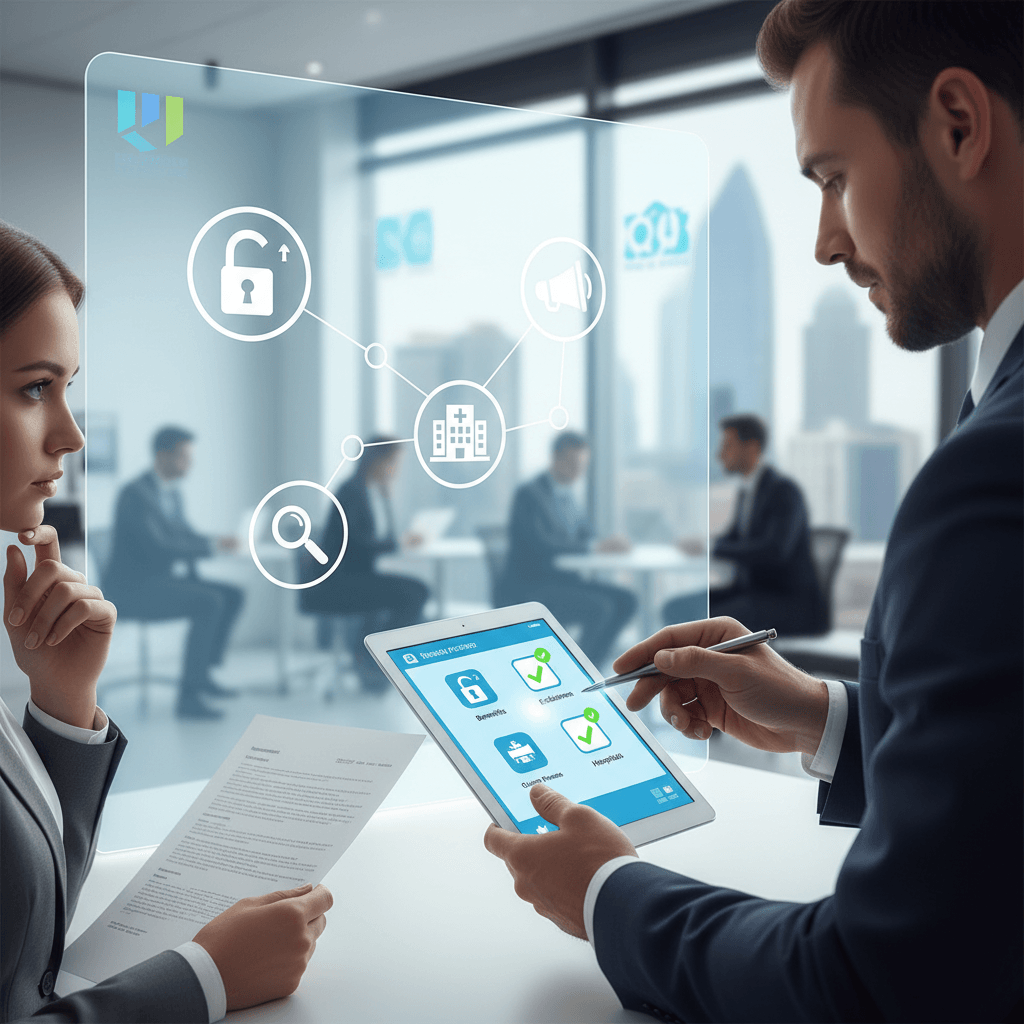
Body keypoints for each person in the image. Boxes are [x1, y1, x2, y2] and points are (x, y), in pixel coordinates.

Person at [483, 3, 1022, 1020]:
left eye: (832, 178)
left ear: (957, 123)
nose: (824, 241)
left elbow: (877, 981)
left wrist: (606, 893)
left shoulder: (990, 472)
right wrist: (828, 719)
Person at [0, 220, 333, 1022]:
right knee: (216, 599)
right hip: (156, 580)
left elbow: (22, 943)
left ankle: (200, 676)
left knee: (219, 596)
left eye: (68, 388)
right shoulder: (149, 491)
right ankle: (198, 681)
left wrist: (61, 707)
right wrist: (206, 979)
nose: (71, 436)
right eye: (35, 388)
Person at [104, 427, 244, 720]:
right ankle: (189, 698)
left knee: (233, 595)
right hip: (133, 590)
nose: (189, 463)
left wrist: (218, 541)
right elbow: (159, 548)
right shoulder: (135, 495)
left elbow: (185, 535)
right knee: (209, 602)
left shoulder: (172, 494)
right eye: (183, 457)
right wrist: (209, 547)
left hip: (160, 582)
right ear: (161, 456)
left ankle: (202, 674)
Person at [664, 413, 826, 635]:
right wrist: (703, 545)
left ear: (751, 448)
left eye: (727, 446)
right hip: (752, 593)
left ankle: (710, 668)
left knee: (700, 620)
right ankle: (693, 668)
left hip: (788, 603)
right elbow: (734, 537)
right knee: (676, 609)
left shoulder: (783, 491)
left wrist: (712, 549)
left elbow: (774, 550)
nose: (719, 455)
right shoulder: (747, 490)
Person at [497, 432, 637, 668]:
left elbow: (586, 534)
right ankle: (578, 669)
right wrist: (594, 546)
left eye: (582, 465)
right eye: (573, 464)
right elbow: (541, 545)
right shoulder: (530, 494)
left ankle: (589, 668)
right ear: (555, 458)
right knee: (601, 608)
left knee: (627, 600)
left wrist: (607, 544)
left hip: (564, 582)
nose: (578, 471)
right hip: (532, 586)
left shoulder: (568, 497)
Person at [301, 439, 428, 693]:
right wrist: (397, 542)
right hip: (338, 582)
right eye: (395, 463)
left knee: (415, 590)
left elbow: (379, 537)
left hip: (358, 576)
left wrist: (387, 501)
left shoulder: (370, 491)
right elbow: (357, 543)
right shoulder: (350, 492)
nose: (397, 470)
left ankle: (369, 653)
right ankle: (371, 655)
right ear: (379, 462)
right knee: (415, 593)